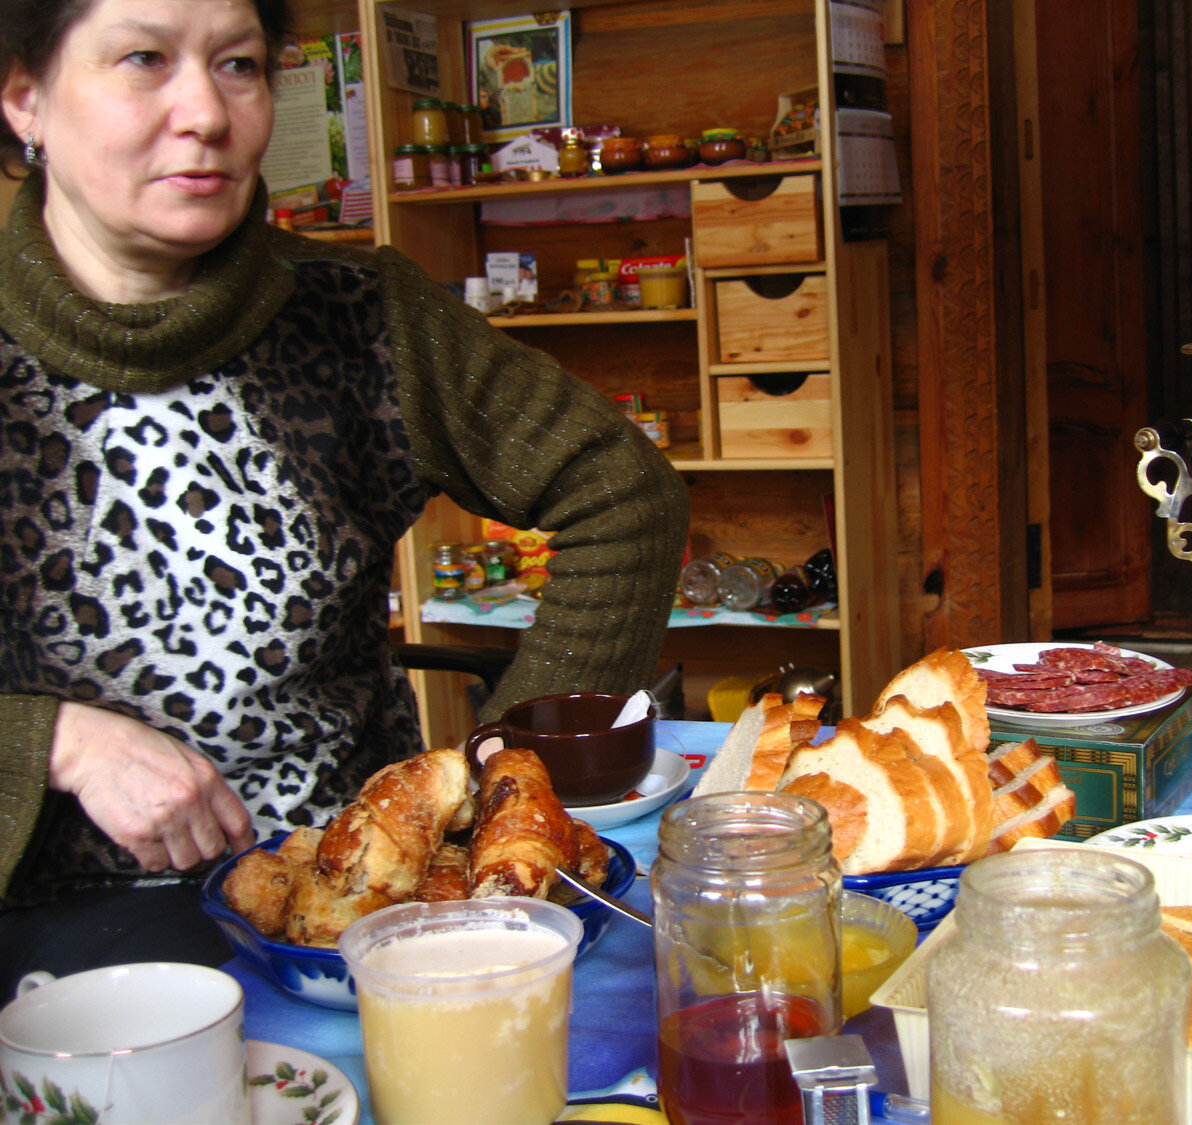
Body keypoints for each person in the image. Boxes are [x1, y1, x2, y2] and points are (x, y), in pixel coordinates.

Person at [0, 0, 688, 993]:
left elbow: (622, 491)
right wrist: (49, 740)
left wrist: (502, 782)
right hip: (70, 927)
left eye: (237, 65)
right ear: (26, 98)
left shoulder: (363, 315)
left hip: (372, 917)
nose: (205, 111)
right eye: (144, 59)